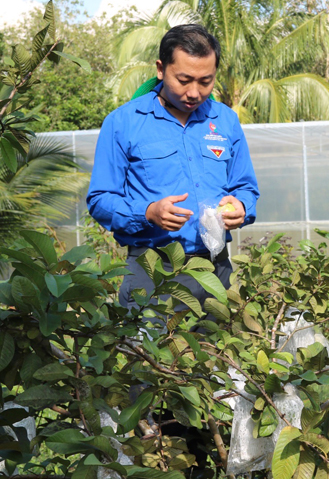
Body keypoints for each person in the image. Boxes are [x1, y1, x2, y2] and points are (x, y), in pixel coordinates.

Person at [87, 24, 259, 311]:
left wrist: (242, 205)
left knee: (218, 352)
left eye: (206, 81)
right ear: (160, 69)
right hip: (152, 270)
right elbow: (100, 199)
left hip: (215, 269)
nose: (194, 92)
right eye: (184, 80)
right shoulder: (123, 123)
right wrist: (148, 213)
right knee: (151, 354)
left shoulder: (226, 121)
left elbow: (245, 186)